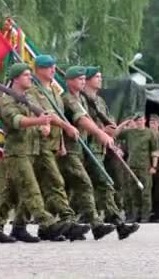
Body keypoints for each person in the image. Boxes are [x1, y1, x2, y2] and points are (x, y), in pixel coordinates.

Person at [0, 63, 74, 243]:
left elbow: (40, 119)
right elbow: (17, 121)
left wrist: (44, 126)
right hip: (17, 153)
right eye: (26, 75)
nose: (30, 78)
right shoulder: (6, 101)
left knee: (11, 193)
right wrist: (38, 121)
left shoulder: (27, 99)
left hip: (31, 151)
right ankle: (48, 222)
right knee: (31, 190)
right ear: (16, 78)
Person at [26, 55, 89, 240]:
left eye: (54, 66)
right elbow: (47, 116)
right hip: (39, 145)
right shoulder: (33, 91)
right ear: (38, 69)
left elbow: (58, 115)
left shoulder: (54, 91)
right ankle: (68, 221)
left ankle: (44, 228)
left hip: (53, 145)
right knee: (55, 183)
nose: (53, 70)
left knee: (41, 188)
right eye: (48, 67)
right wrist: (67, 127)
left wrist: (61, 143)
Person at [58, 65, 116, 240]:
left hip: (81, 150)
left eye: (84, 78)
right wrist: (100, 133)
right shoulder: (67, 99)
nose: (83, 81)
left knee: (68, 189)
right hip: (68, 150)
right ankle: (95, 224)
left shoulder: (82, 99)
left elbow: (89, 119)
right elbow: (81, 119)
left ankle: (62, 225)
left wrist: (103, 130)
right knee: (82, 184)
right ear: (69, 81)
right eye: (79, 79)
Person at [82, 65, 140, 238]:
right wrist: (103, 130)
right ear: (88, 79)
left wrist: (114, 131)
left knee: (101, 185)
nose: (100, 79)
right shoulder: (81, 100)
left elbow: (111, 128)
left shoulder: (99, 101)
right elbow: (84, 122)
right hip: (86, 148)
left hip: (99, 149)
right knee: (92, 185)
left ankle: (111, 224)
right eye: (97, 76)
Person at [119, 112, 159, 222]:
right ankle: (136, 215)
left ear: (144, 120)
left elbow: (155, 151)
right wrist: (125, 123)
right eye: (137, 120)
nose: (139, 122)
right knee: (134, 192)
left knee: (145, 193)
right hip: (131, 167)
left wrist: (154, 166)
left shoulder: (150, 133)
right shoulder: (129, 132)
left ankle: (145, 216)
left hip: (145, 167)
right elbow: (115, 133)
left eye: (141, 119)